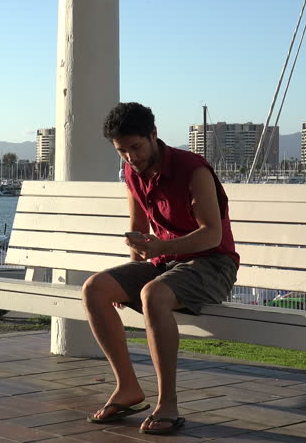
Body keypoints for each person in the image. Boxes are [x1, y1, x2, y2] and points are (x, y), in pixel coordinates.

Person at [82, 102, 239, 435]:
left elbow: (212, 233)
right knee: (95, 288)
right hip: (165, 263)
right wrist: (130, 272)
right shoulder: (131, 172)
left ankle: (167, 402)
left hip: (213, 264)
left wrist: (162, 249)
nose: (131, 158)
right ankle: (128, 389)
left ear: (153, 135)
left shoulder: (192, 169)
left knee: (153, 295)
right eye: (122, 152)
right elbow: (138, 229)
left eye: (136, 148)